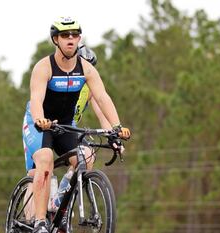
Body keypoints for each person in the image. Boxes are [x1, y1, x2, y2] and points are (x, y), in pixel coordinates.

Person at [22, 16, 131, 233]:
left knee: (87, 156)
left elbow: (103, 100)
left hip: (65, 125)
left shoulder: (87, 71)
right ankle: (39, 222)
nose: (70, 39)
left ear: (79, 38)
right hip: (40, 124)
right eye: (65, 35)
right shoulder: (44, 67)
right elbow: (36, 99)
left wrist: (116, 129)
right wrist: (39, 119)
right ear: (56, 40)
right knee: (42, 165)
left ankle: (60, 208)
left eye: (74, 35)